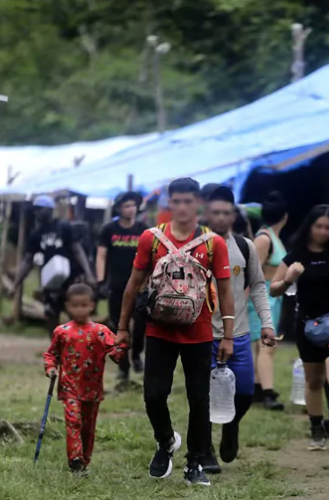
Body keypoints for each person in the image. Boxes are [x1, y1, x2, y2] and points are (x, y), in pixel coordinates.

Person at [117, 178, 235, 486]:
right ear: (169, 203)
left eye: (188, 201)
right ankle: (166, 441)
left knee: (199, 399)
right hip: (158, 329)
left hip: (199, 331)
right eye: (176, 201)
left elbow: (225, 290)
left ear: (198, 203)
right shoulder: (151, 239)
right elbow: (133, 285)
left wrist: (228, 335)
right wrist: (122, 328)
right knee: (154, 395)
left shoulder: (213, 243)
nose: (182, 208)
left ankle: (194, 461)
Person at [202, 186, 276, 473]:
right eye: (215, 212)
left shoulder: (245, 246)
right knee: (203, 396)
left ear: (233, 215)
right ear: (206, 213)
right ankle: (205, 449)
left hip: (240, 334)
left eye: (226, 212)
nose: (221, 218)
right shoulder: (196, 246)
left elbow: (257, 285)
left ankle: (230, 427)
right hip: (202, 336)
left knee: (244, 392)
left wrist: (267, 323)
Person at [270, 205, 329, 452]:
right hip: (308, 323)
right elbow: (273, 289)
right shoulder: (296, 255)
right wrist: (288, 279)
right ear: (310, 226)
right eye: (319, 226)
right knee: (314, 380)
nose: (324, 231)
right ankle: (317, 428)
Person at [43, 283, 127, 474]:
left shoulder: (100, 331)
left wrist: (119, 351)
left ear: (92, 305)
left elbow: (116, 347)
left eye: (84, 305)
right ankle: (75, 460)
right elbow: (51, 354)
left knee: (88, 428)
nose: (79, 309)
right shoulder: (62, 332)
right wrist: (50, 368)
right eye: (75, 305)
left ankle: (84, 460)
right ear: (67, 306)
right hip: (69, 388)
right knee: (73, 421)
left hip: (92, 389)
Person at [11, 195, 96, 333]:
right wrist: (16, 284)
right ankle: (56, 350)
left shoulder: (64, 227)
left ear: (50, 210)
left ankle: (80, 347)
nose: (37, 213)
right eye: (35, 210)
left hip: (70, 279)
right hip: (50, 281)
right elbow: (27, 260)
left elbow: (78, 250)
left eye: (40, 209)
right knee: (51, 314)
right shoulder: (36, 234)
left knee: (77, 313)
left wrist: (88, 274)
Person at [96, 191, 146, 380]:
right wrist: (100, 280)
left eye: (133, 205)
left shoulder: (143, 229)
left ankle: (137, 355)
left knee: (141, 323)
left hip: (139, 285)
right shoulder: (109, 229)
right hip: (116, 285)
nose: (130, 209)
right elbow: (101, 255)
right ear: (119, 209)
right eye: (126, 206)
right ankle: (123, 366)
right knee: (118, 325)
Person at [250, 191, 288, 411]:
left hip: (273, 294)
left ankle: (257, 387)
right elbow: (252, 271)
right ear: (285, 216)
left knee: (261, 345)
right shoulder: (263, 238)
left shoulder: (272, 237)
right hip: (262, 294)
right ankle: (268, 392)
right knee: (266, 345)